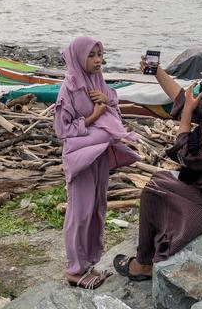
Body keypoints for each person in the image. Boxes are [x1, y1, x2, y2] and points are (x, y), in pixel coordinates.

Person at [113, 59, 202, 281]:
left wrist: (187, 113)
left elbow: (187, 155)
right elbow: (181, 98)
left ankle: (142, 264)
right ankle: (157, 246)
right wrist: (156, 71)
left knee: (155, 187)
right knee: (166, 180)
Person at [54, 36, 140, 289]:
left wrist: (106, 103)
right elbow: (62, 130)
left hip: (99, 155)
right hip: (81, 159)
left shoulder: (98, 83)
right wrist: (94, 115)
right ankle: (74, 270)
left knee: (96, 209)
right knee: (79, 212)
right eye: (91, 55)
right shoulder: (69, 88)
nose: (98, 60)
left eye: (100, 55)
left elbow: (115, 116)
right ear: (79, 57)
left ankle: (88, 264)